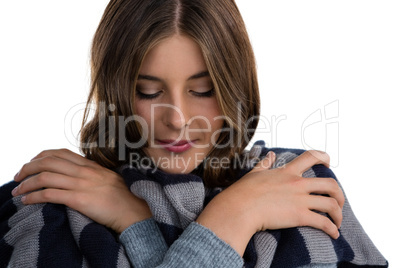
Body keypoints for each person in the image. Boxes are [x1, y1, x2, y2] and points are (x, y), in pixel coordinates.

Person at [0, 0, 387, 267]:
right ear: (115, 90)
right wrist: (231, 222)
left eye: (202, 91)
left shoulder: (295, 187)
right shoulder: (52, 201)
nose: (178, 119)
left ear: (234, 84)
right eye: (148, 92)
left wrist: (231, 212)